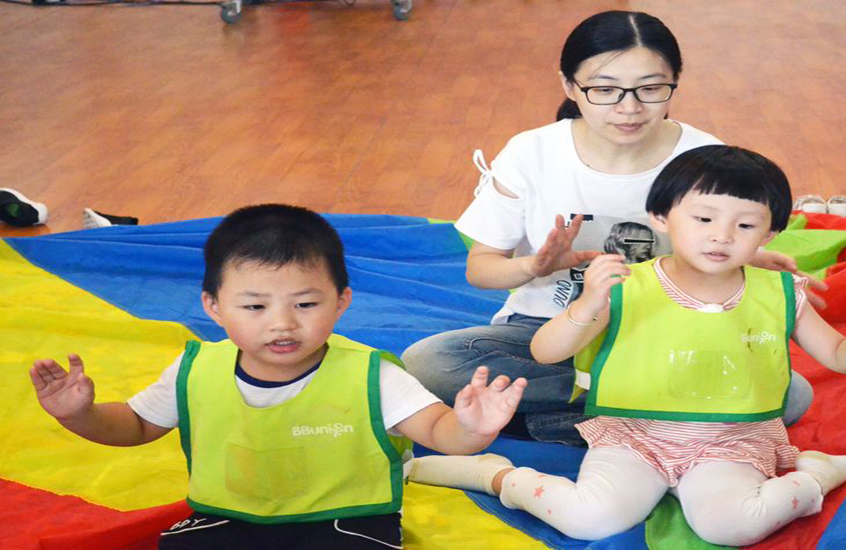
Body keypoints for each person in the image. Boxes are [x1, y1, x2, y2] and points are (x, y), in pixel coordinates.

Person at [408, 145, 846, 545]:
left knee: (730, 528)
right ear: (661, 218)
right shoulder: (625, 284)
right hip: (633, 435)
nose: (721, 236)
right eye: (704, 219)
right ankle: (496, 476)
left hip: (730, 440)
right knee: (589, 520)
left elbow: (841, 359)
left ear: (772, 232)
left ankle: (815, 474)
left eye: (744, 225)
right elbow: (546, 353)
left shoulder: (780, 291)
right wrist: (587, 305)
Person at [402, 10, 817, 446]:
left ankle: (555, 422)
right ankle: (653, 418)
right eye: (604, 90)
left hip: (664, 334)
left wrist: (746, 259)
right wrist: (535, 266)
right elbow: (481, 268)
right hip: (548, 332)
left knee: (791, 395)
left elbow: (714, 245)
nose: (629, 108)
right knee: (430, 362)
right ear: (569, 86)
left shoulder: (702, 156)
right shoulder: (532, 152)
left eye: (650, 89)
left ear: (675, 81)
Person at [29, 204, 527, 549]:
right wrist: (81, 415)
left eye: (305, 304)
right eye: (255, 306)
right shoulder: (196, 368)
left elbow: (438, 430)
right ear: (214, 307)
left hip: (347, 524)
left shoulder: (370, 375)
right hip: (228, 518)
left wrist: (471, 429)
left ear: (342, 301)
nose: (282, 323)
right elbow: (137, 426)